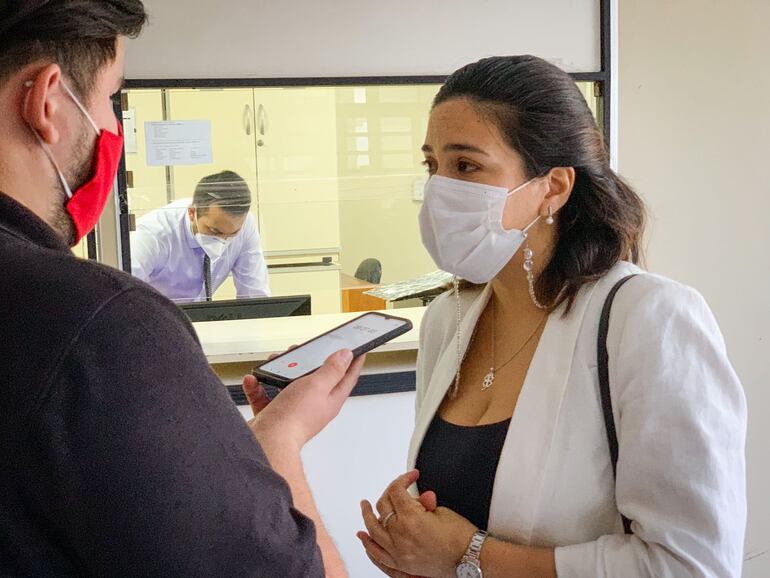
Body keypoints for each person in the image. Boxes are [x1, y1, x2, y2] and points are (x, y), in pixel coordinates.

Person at [0, 2, 360, 576]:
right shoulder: (105, 325)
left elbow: (254, 294)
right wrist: (280, 436)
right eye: (113, 99)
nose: (114, 128)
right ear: (47, 103)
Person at [357, 55, 747, 578]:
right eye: (433, 166)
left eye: (466, 166)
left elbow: (692, 564)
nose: (439, 189)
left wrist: (467, 555)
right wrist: (412, 546)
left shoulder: (649, 319)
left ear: (554, 188)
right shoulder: (448, 321)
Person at [131, 170, 270, 302]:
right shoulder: (152, 235)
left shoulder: (245, 225)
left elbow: (255, 295)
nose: (223, 241)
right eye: (215, 231)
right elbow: (123, 295)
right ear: (192, 213)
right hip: (160, 317)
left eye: (233, 234)